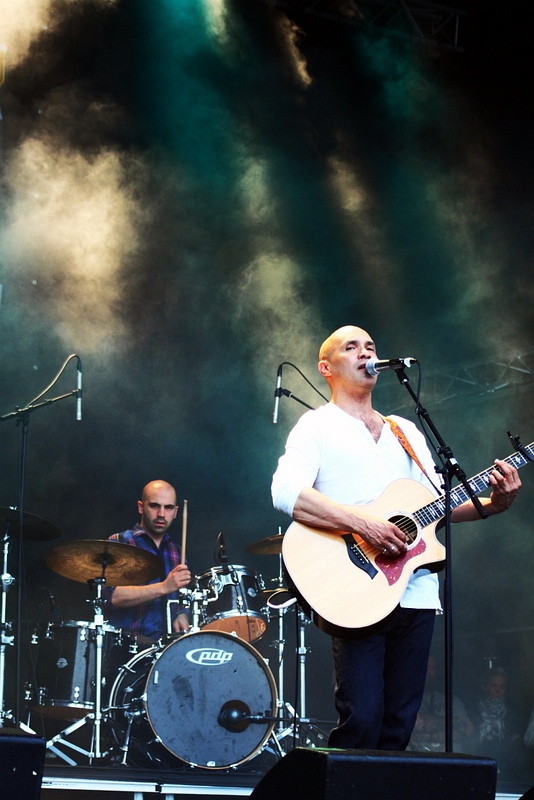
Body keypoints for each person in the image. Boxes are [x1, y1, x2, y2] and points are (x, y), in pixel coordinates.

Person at [271, 324, 521, 751]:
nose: (366, 352)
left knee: (399, 725)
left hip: (417, 589)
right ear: (326, 367)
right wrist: (365, 525)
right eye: (352, 347)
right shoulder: (317, 426)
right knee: (362, 719)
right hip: (356, 585)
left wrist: (494, 504)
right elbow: (286, 493)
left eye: (370, 346)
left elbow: (434, 507)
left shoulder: (404, 429)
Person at [104, 480, 192, 644]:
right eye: (154, 506)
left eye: (168, 507)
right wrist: (164, 587)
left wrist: (182, 614)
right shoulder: (119, 542)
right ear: (140, 507)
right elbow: (113, 597)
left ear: (175, 512)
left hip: (167, 651)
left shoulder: (178, 553)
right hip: (126, 649)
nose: (161, 514)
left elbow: (183, 599)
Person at [408, 654, 474, 753]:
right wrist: (453, 724)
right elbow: (402, 731)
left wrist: (421, 728)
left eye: (431, 667)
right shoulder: (404, 701)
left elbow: (466, 729)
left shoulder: (453, 701)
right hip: (414, 760)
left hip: (450, 760)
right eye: (424, 665)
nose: (427, 671)